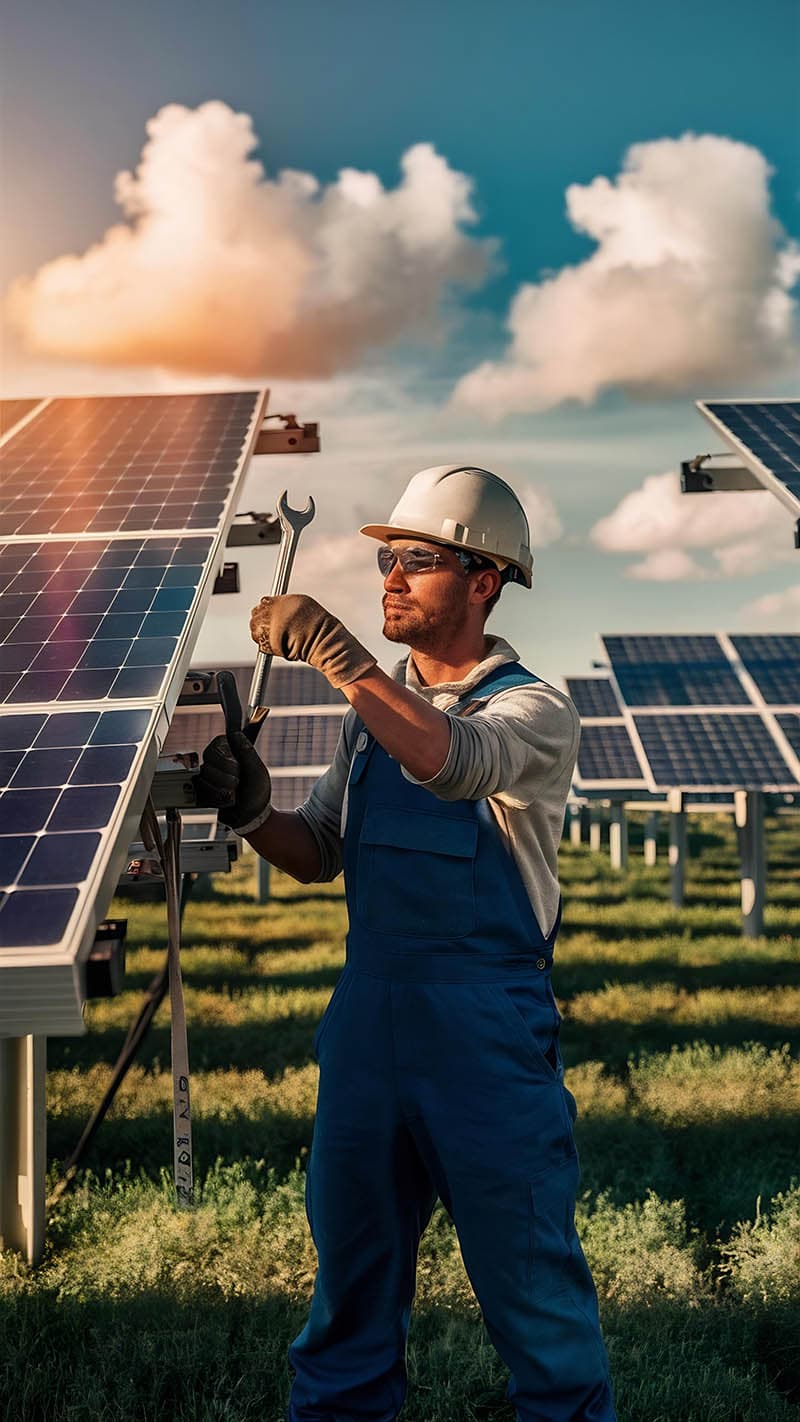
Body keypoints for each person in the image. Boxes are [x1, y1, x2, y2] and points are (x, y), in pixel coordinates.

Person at [197, 465, 616, 1422]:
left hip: (486, 1037)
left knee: (532, 1296)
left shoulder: (533, 710)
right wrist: (254, 809)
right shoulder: (369, 716)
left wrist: (340, 658)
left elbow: (453, 761)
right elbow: (321, 851)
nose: (390, 577)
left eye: (418, 561)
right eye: (387, 559)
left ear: (484, 580)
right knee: (349, 1291)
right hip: (369, 1028)